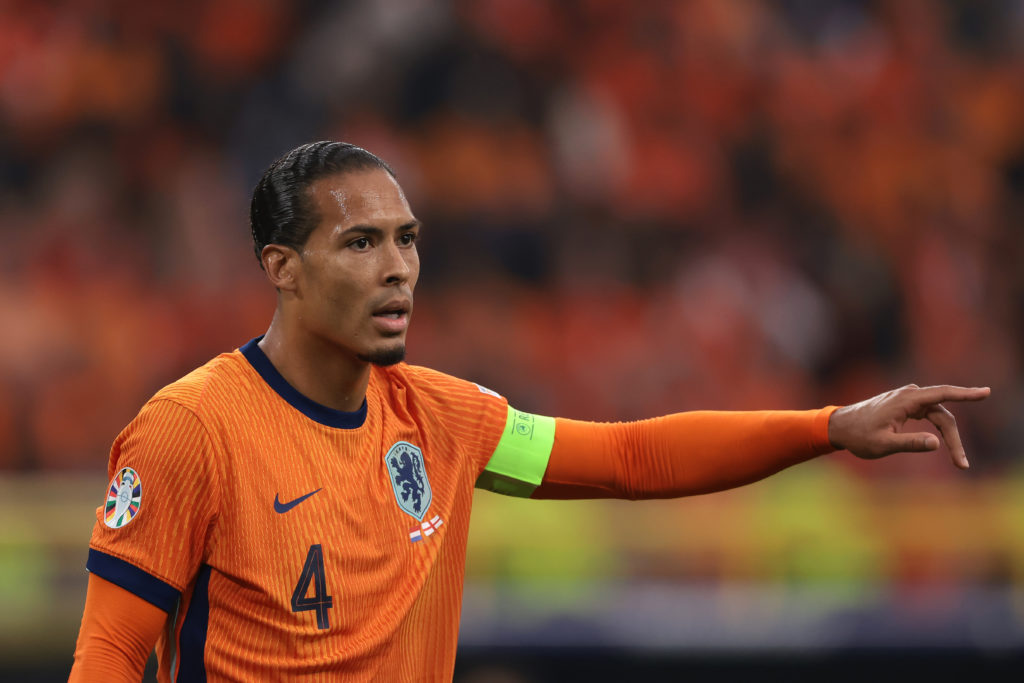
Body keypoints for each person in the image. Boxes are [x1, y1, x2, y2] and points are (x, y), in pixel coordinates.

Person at [69, 141, 990, 682]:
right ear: (282, 267)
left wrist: (828, 425)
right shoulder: (191, 427)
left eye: (407, 240)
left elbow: (628, 457)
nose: (398, 268)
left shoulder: (447, 420)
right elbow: (110, 649)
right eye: (360, 242)